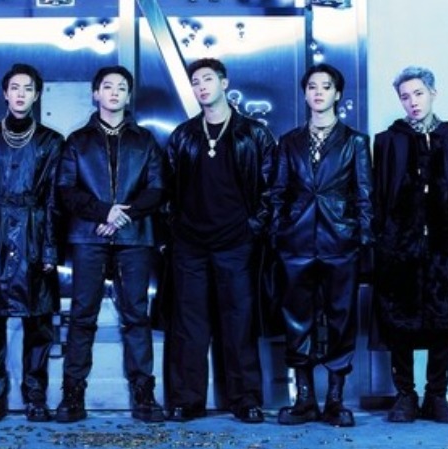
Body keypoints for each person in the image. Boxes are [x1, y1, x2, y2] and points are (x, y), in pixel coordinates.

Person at [164, 58, 274, 424]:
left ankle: (245, 400)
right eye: (195, 81)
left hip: (236, 243)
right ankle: (186, 400)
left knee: (239, 323)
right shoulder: (183, 135)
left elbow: (271, 189)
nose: (201, 86)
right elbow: (167, 189)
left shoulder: (254, 134)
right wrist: (176, 230)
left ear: (224, 83)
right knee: (189, 325)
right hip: (190, 245)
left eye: (208, 79)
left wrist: (252, 228)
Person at [54, 65, 166, 423]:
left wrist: (121, 216)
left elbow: (157, 188)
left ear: (128, 96)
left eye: (121, 87)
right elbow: (66, 190)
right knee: (82, 315)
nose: (114, 92)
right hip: (89, 236)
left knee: (136, 315)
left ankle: (144, 394)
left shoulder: (145, 140)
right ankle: (73, 394)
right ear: (95, 93)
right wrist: (104, 212)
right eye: (107, 86)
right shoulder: (77, 141)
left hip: (134, 237)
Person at [370, 66, 448, 424]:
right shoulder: (387, 141)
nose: (412, 102)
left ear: (433, 93)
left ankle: (437, 396)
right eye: (405, 96)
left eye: (418, 93)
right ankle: (405, 395)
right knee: (399, 322)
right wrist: (384, 241)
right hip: (399, 248)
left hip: (445, 248)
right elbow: (378, 197)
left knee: (444, 320)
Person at [270, 63, 373, 428]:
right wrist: (279, 233)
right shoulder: (289, 141)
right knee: (296, 319)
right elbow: (277, 192)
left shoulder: (355, 141)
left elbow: (365, 194)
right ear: (305, 94)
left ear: (337, 94)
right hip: (296, 243)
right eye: (312, 86)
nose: (318, 92)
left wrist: (362, 239)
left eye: (325, 87)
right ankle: (304, 400)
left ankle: (335, 401)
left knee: (341, 319)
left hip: (340, 241)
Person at [0, 63, 64, 423]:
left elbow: (55, 198)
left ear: (37, 95)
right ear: (5, 93)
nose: (21, 94)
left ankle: (35, 396)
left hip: (34, 234)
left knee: (38, 323)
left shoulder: (52, 141)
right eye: (15, 88)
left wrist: (49, 247)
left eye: (28, 88)